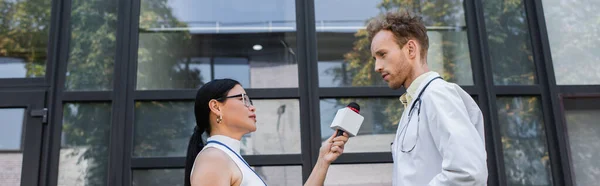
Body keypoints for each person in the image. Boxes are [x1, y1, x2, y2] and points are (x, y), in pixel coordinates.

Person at [366, 11, 488, 185]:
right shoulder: (415, 103)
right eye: (374, 58)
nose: (377, 67)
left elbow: (468, 173)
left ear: (410, 49)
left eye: (382, 54)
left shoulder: (438, 95)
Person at [184, 78, 349, 186]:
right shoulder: (214, 159)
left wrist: (323, 160)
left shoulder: (227, 157)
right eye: (243, 99)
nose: (252, 106)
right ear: (216, 107)